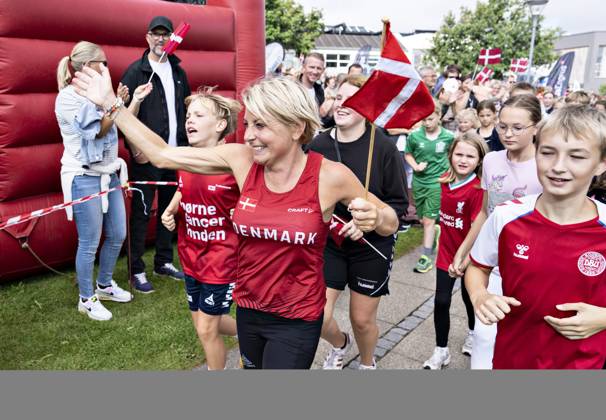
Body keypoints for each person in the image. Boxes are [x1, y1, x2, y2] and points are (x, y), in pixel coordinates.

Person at [72, 68, 400, 369]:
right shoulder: (241, 160)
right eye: (248, 125)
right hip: (248, 310)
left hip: (297, 318)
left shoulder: (330, 176)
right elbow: (162, 154)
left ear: (296, 127)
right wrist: (113, 106)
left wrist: (375, 216)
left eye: (261, 125)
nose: (248, 136)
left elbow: (390, 220)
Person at [466, 105, 606, 369]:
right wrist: (480, 297)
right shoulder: (506, 217)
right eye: (547, 153)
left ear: (601, 163)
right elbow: (477, 267)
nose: (558, 166)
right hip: (512, 360)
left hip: (583, 365)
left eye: (577, 156)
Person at [309, 75, 408, 370]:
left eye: (352, 99)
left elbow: (399, 206)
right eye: (339, 98)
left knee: (362, 320)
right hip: (329, 244)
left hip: (372, 245)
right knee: (318, 316)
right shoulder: (317, 145)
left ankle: (367, 363)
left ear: (367, 106)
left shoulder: (384, 146)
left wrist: (372, 219)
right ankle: (340, 344)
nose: (342, 104)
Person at [55, 41, 148, 320]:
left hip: (108, 174)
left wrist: (131, 102)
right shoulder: (69, 97)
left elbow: (120, 122)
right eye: (103, 62)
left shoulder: (100, 95)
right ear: (88, 66)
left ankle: (105, 285)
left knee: (118, 233)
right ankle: (86, 298)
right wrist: (113, 104)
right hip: (83, 176)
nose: (107, 67)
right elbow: (95, 131)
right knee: (90, 241)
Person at [450, 94, 544, 368]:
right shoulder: (490, 160)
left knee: (524, 341)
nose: (507, 133)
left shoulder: (546, 165)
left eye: (517, 127)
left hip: (531, 267)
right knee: (484, 336)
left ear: (535, 127)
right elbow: (485, 212)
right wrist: (464, 250)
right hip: (493, 264)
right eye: (502, 126)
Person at [161, 89, 240, 370]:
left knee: (207, 329)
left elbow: (257, 199)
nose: (188, 121)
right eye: (188, 115)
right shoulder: (186, 159)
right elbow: (185, 189)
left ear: (220, 125)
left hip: (222, 258)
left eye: (198, 115)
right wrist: (171, 209)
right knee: (203, 325)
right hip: (190, 255)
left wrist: (242, 212)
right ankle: (251, 330)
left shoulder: (234, 163)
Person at [120, 15, 191, 293]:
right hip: (146, 156)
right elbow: (123, 115)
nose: (160, 39)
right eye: (155, 34)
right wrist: (135, 147)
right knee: (140, 213)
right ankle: (136, 269)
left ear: (172, 38)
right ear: (147, 37)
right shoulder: (135, 71)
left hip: (174, 154)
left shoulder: (178, 71)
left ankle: (163, 261)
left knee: (169, 210)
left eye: (165, 34)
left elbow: (183, 110)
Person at [423, 132, 488, 369]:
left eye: (470, 156)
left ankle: (473, 333)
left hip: (470, 255)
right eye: (458, 154)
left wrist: (465, 258)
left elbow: (477, 228)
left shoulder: (478, 189)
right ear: (450, 155)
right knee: (441, 301)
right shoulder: (443, 182)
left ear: (480, 160)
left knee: (469, 299)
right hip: (446, 254)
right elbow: (436, 215)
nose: (463, 159)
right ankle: (441, 350)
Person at [405, 101, 455, 273]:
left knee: (428, 220)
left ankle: (425, 257)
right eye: (424, 120)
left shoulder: (449, 137)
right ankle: (433, 235)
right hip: (419, 182)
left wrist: (450, 172)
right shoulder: (414, 136)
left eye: (431, 119)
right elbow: (408, 154)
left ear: (439, 116)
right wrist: (415, 166)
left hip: (437, 183)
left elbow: (454, 154)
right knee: (422, 219)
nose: (427, 123)